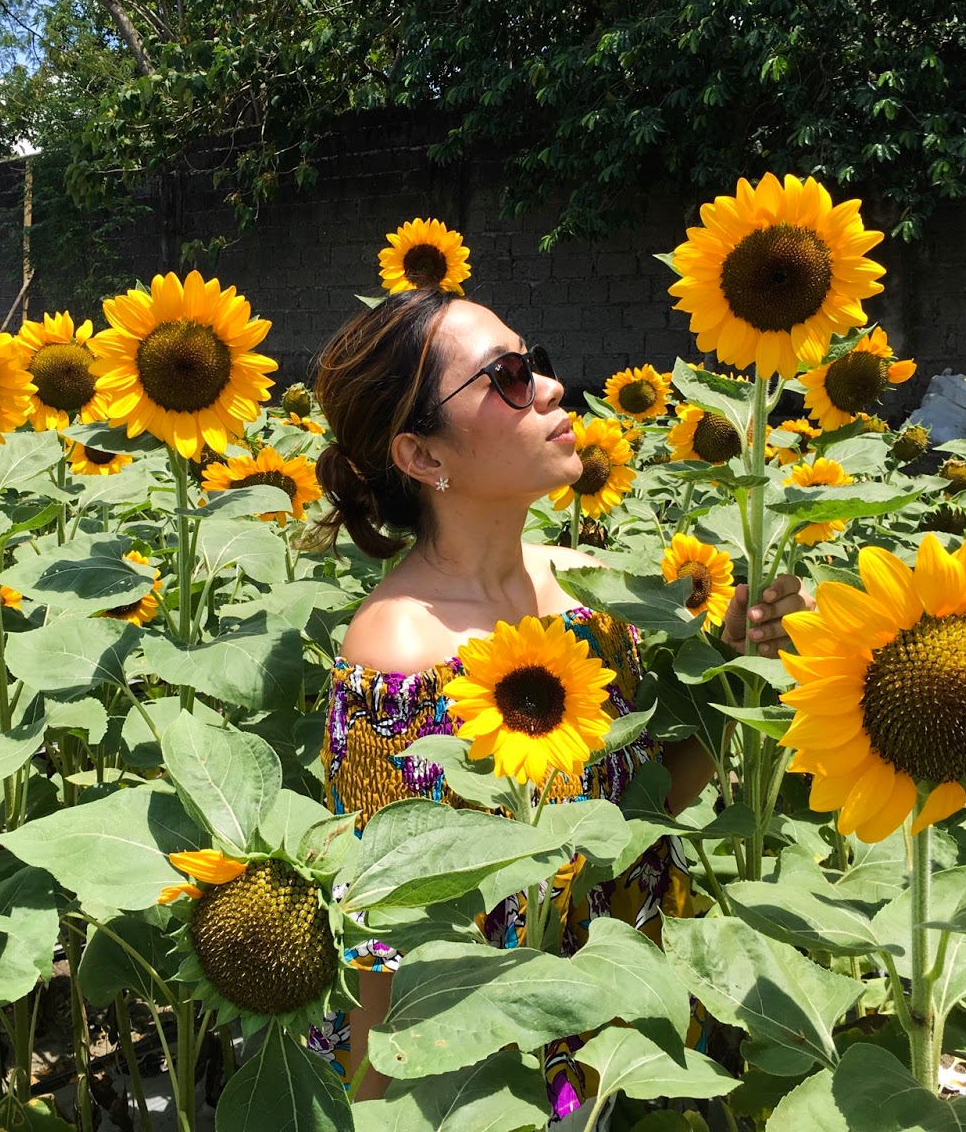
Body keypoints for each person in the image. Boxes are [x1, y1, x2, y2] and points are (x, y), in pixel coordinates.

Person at [301, 288, 812, 1111]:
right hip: (487, 1067)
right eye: (505, 376)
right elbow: (383, 944)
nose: (548, 387)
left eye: (533, 361)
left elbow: (644, 808)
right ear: (424, 458)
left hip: (625, 1021)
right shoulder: (397, 655)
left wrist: (735, 668)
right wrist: (385, 1112)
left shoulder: (590, 593)